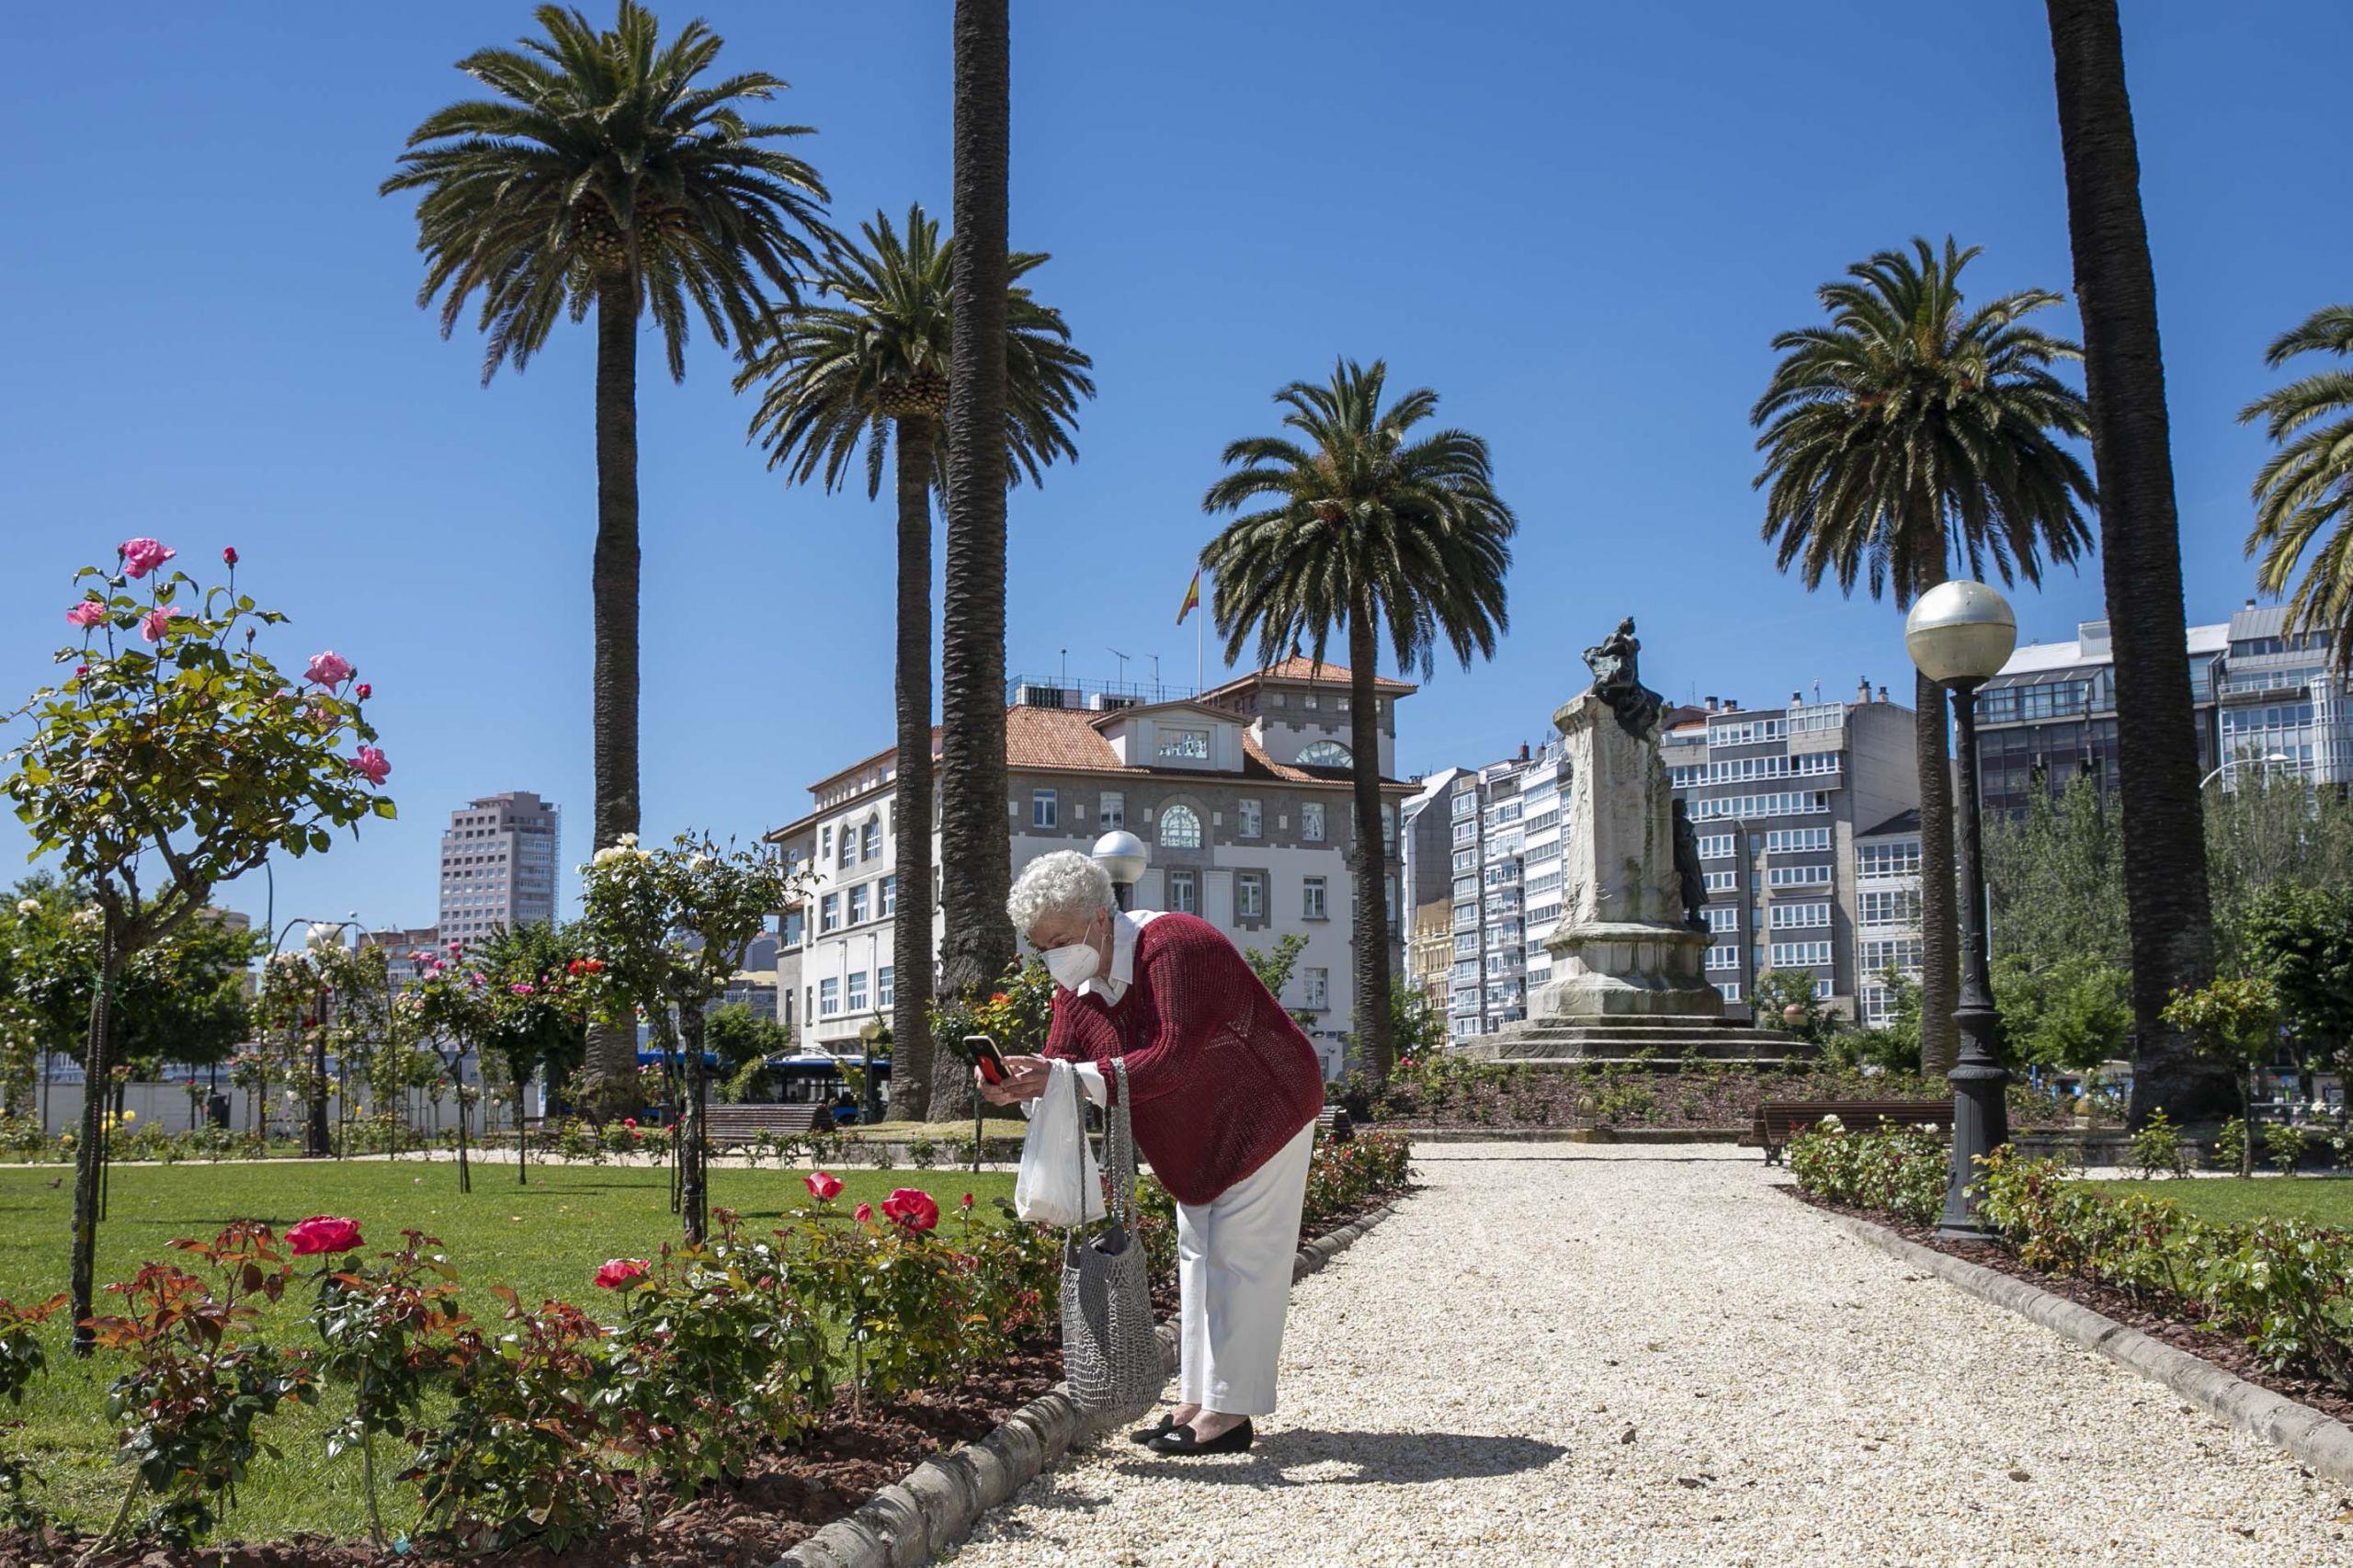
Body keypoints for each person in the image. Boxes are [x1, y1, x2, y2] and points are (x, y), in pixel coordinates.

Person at [980, 850, 1324, 1456]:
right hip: (1193, 1137)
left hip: (1265, 1108)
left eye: (1058, 940)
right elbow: (1063, 1067)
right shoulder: (1076, 988)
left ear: (1098, 918)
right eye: (1040, 947)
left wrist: (1064, 1077)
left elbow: (1170, 1056)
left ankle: (1229, 1415)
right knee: (1199, 1261)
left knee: (1242, 1262)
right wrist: (1019, 1082)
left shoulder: (1174, 946)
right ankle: (1198, 1399)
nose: (1052, 958)